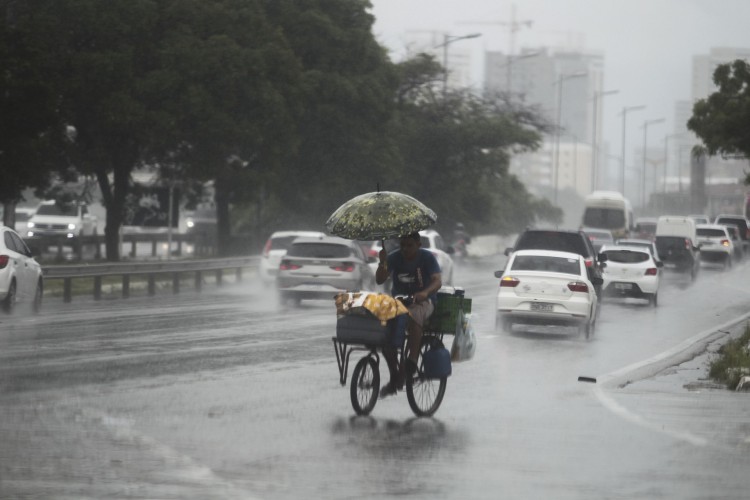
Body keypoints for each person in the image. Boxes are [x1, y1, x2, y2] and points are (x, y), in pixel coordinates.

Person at [375, 232, 442, 398]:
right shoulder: (394, 257)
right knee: (385, 339)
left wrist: (425, 293)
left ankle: (411, 361)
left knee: (413, 316)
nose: (405, 249)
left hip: (423, 302)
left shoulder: (427, 258)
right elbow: (379, 279)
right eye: (402, 245)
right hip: (399, 302)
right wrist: (383, 261)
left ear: (418, 245)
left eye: (409, 245)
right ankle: (395, 377)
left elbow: (437, 281)